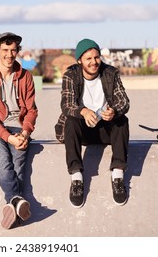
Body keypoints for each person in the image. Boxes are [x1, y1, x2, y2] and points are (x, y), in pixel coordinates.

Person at [0, 32, 38, 229]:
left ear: (17, 52)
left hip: (18, 127)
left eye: (13, 50)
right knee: (3, 161)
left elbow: (31, 110)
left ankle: (13, 206)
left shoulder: (25, 77)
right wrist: (8, 137)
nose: (9, 55)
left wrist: (25, 133)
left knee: (18, 165)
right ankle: (16, 201)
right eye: (5, 50)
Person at [59, 38, 130, 208]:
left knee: (122, 120)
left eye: (96, 57)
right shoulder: (70, 75)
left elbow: (124, 101)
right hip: (82, 131)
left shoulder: (111, 73)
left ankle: (118, 175)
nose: (94, 62)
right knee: (71, 121)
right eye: (88, 58)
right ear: (79, 61)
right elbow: (66, 104)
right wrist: (83, 111)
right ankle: (76, 178)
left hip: (105, 129)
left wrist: (114, 111)